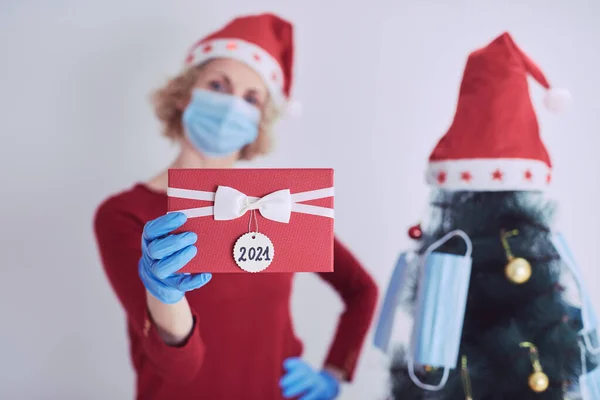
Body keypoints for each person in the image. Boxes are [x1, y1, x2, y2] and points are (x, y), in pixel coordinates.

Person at [93, 13, 379, 400]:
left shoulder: (275, 206)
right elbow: (181, 367)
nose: (232, 107)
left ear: (259, 122)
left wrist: (333, 371)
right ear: (184, 95)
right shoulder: (126, 214)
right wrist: (166, 295)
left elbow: (361, 288)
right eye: (218, 85)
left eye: (251, 98)